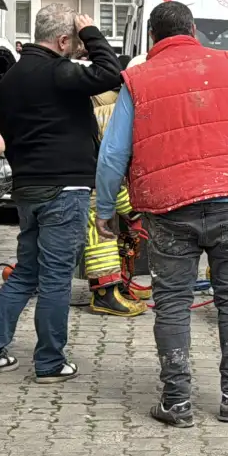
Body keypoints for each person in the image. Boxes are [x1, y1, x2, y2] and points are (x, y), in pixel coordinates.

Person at [95, 1, 228, 428]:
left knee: (173, 301)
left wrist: (105, 210)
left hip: (169, 208)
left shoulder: (136, 81)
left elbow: (113, 154)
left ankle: (177, 402)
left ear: (153, 37)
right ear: (193, 30)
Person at [0, 6, 122, 382]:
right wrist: (94, 36)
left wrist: (80, 43)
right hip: (64, 189)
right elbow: (112, 73)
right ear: (64, 40)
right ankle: (50, 362)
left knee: (26, 274)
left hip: (28, 189)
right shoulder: (59, 72)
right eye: (75, 40)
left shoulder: (10, 80)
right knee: (55, 278)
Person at [82, 85, 149, 317]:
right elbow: (110, 168)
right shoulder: (124, 115)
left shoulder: (119, 110)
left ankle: (116, 286)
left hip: (95, 174)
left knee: (117, 224)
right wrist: (132, 210)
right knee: (100, 229)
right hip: (89, 178)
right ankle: (105, 295)